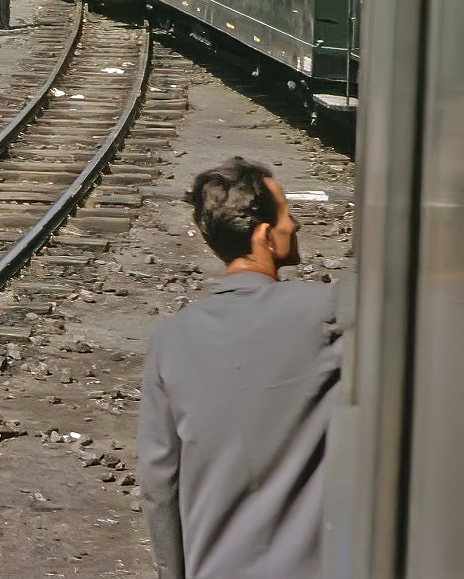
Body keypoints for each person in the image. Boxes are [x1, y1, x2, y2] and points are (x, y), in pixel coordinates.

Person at [139, 158, 342, 579]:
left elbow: (159, 484)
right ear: (264, 236)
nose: (295, 224)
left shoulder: (170, 338)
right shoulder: (326, 312)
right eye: (287, 214)